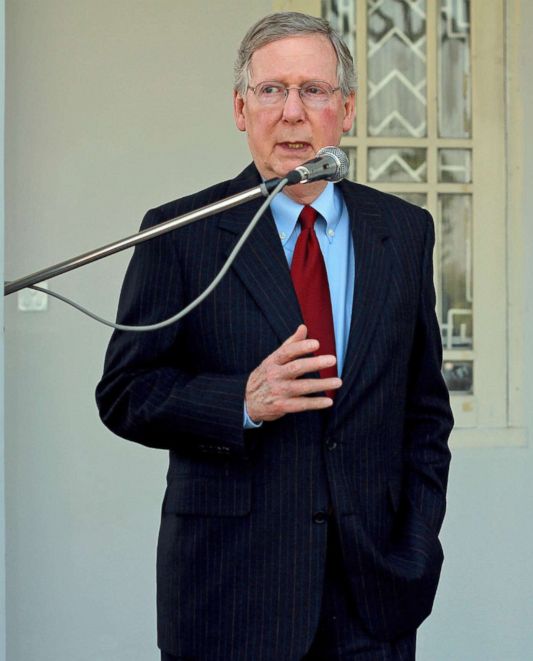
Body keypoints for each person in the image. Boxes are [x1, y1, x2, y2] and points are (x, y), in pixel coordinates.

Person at [96, 12, 452, 661]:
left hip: (373, 601)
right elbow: (125, 391)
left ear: (345, 109)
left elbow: (425, 414)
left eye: (313, 90)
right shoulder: (180, 233)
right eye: (271, 90)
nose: (292, 113)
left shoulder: (403, 232)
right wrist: (240, 401)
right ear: (240, 108)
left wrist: (416, 547)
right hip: (231, 595)